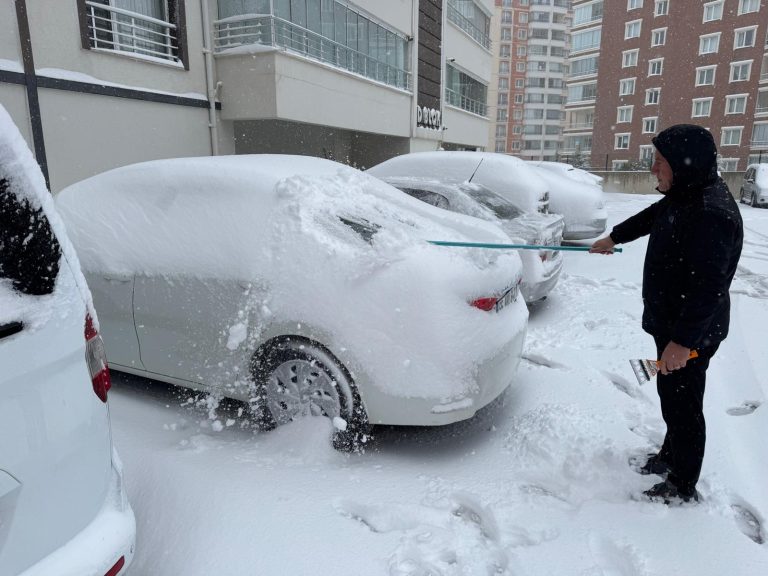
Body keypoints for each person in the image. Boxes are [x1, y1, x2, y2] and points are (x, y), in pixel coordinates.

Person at [590, 124, 743, 504]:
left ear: (685, 164)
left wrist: (682, 343)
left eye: (660, 161)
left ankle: (682, 484)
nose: (653, 168)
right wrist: (614, 237)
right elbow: (652, 216)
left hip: (690, 333)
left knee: (684, 406)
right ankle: (670, 456)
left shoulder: (710, 213)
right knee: (671, 396)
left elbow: (708, 289)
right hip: (675, 325)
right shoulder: (686, 194)